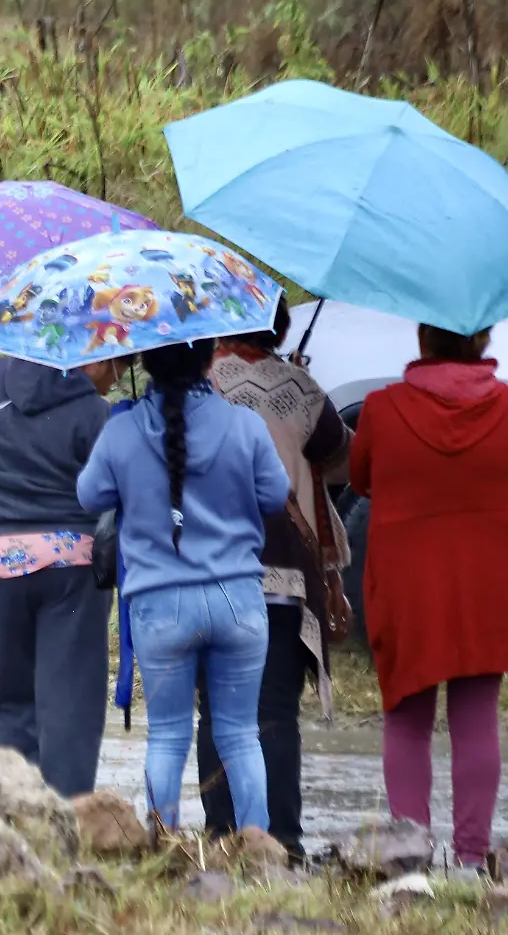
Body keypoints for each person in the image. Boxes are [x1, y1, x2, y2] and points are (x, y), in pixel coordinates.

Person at [77, 338, 288, 832]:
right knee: (240, 735)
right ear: (208, 359)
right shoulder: (245, 425)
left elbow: (90, 494)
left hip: (160, 605)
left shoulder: (124, 429)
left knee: (168, 736)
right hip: (238, 600)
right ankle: (258, 852)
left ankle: (163, 846)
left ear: (144, 361)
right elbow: (276, 495)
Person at [350, 324, 508, 871]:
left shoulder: (381, 407)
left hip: (405, 584)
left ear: (423, 339)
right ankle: (469, 861)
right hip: (487, 583)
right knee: (477, 716)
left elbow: (361, 477)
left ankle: (408, 861)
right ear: (483, 339)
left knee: (406, 717)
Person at [203, 300, 350, 859]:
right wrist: (298, 385)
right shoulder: (299, 388)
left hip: (209, 569)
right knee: (274, 713)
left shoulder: (199, 385)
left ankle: (221, 838)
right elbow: (340, 459)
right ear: (279, 327)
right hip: (283, 574)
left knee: (217, 709)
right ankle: (283, 841)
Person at [0, 354, 123, 799]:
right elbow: (111, 488)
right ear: (91, 357)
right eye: (118, 362)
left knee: (13, 696)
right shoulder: (95, 413)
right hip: (70, 566)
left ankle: (15, 818)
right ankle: (66, 820)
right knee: (70, 702)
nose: (119, 372)